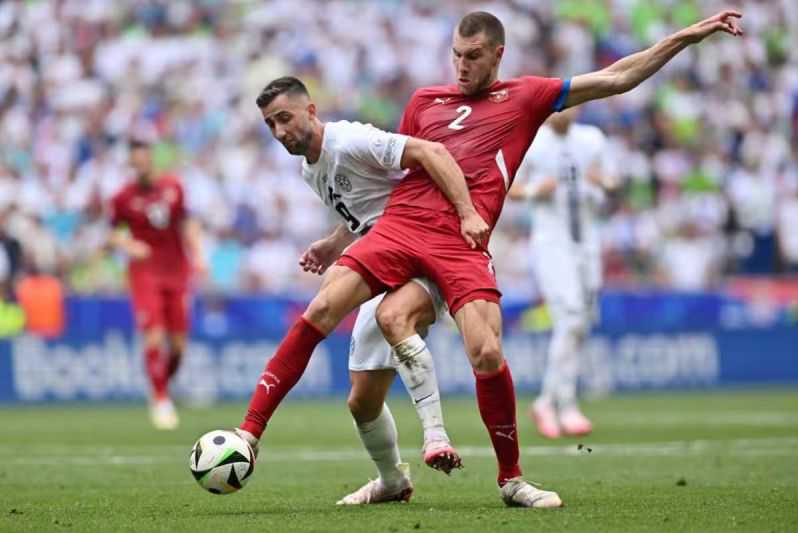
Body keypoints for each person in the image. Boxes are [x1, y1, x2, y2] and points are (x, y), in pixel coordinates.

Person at [236, 9, 743, 509]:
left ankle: (512, 479)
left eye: (473, 57)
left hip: (461, 240)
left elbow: (617, 77)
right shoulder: (424, 100)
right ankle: (250, 434)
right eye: (456, 55)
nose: (462, 66)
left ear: (498, 54)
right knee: (323, 309)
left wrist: (685, 37)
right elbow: (398, 181)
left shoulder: (527, 96)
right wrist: (338, 239)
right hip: (402, 227)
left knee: (486, 352)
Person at [240, 76, 483, 504]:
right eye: (270, 125)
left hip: (424, 250)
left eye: (285, 119)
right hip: (379, 259)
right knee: (361, 404)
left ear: (311, 111)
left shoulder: (350, 140)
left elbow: (428, 153)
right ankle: (393, 482)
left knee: (379, 317)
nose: (279, 132)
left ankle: (435, 436)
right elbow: (373, 205)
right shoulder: (309, 169)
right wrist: (335, 243)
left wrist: (466, 212)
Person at [508, 107, 619, 439]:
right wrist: (532, 192)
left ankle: (547, 401)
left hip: (587, 240)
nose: (565, 111)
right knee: (570, 317)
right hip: (551, 242)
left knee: (581, 322)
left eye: (572, 104)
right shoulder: (532, 142)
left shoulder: (592, 139)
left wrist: (604, 182)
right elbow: (507, 185)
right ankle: (565, 404)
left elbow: (612, 180)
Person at [109, 138, 205, 430]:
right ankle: (160, 398)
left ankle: (163, 385)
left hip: (177, 270)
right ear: (131, 164)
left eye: (144, 160)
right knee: (153, 335)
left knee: (178, 347)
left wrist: (198, 253)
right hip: (144, 272)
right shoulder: (122, 197)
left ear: (151, 160)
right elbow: (113, 233)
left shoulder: (173, 187)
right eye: (135, 162)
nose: (140, 165)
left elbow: (186, 222)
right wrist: (129, 244)